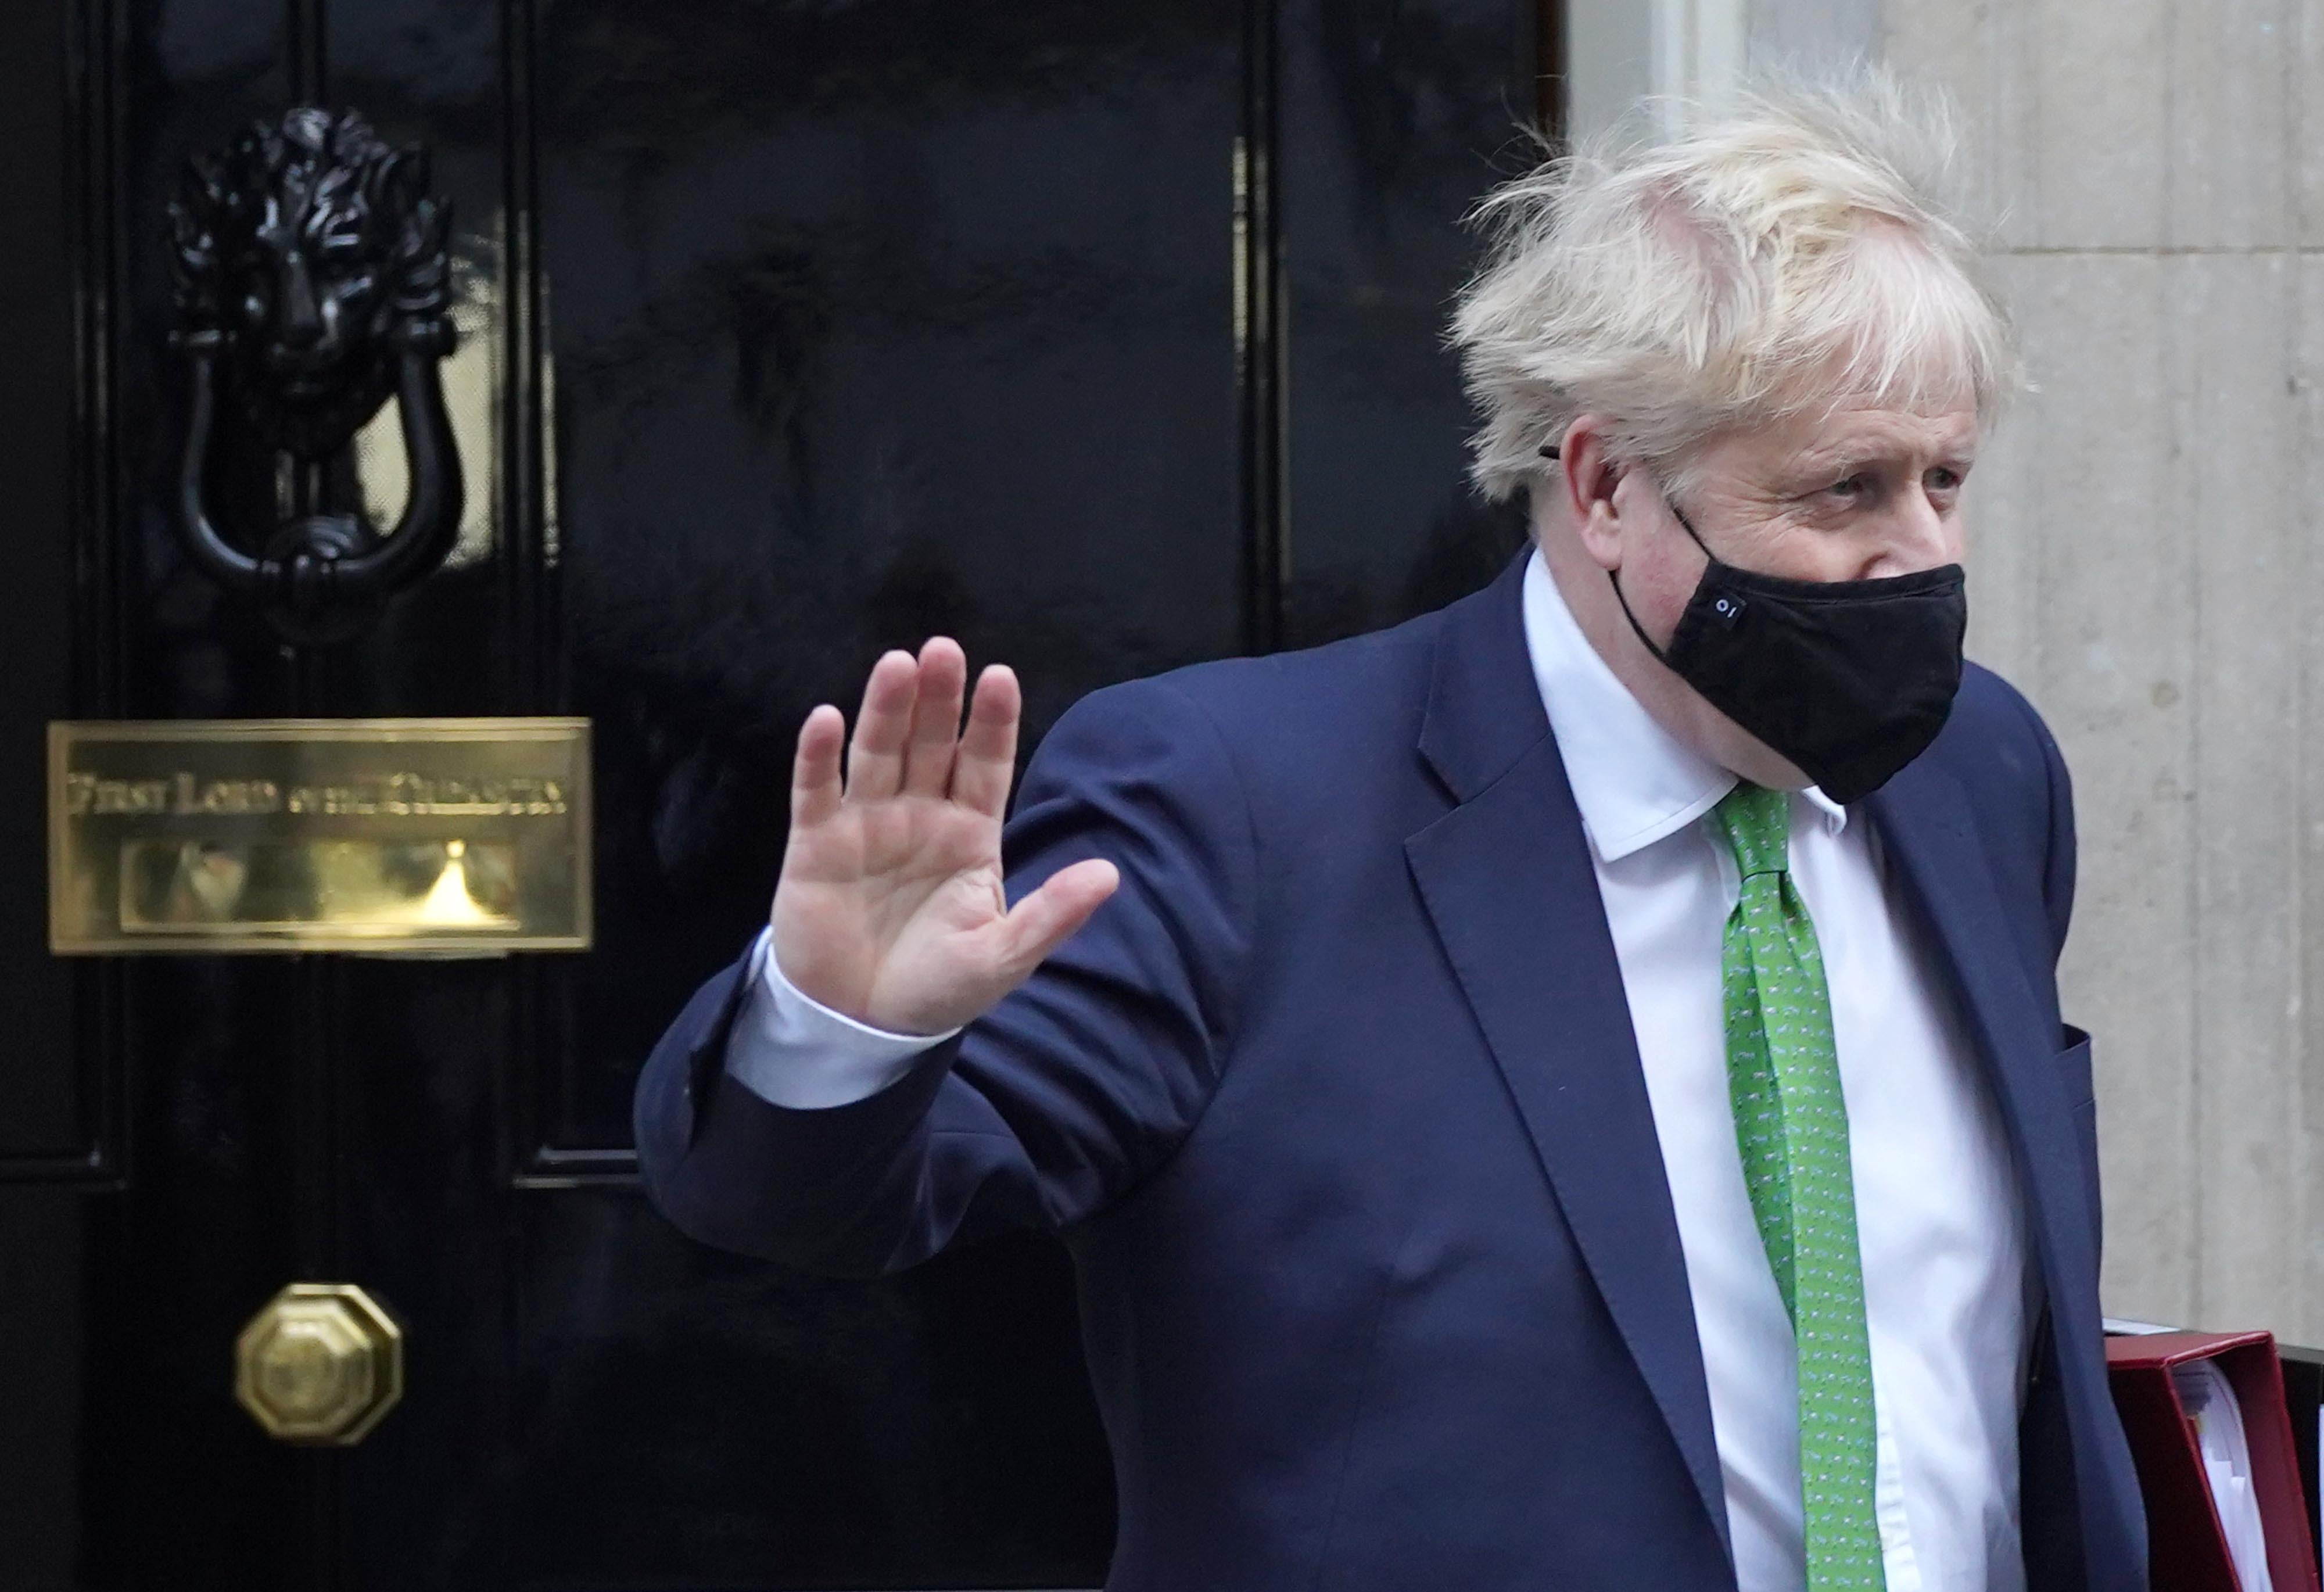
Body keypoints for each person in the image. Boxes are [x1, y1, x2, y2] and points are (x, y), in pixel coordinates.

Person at [634, 73, 2147, 1592]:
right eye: (1847, 489)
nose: (1925, 554)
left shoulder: (1980, 771)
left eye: (1946, 479)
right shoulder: (1240, 807)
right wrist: (840, 1028)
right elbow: (825, 1209)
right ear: (1608, 482)